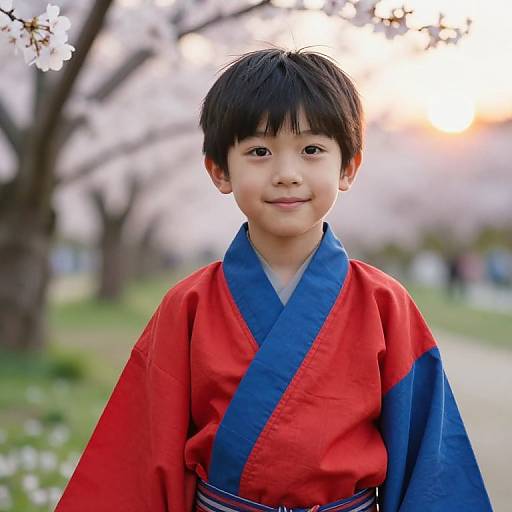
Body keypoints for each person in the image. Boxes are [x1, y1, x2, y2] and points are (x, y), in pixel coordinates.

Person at [55, 48, 493, 512]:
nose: (287, 174)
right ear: (219, 170)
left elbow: (429, 461)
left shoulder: (385, 304)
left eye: (312, 150)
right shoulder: (187, 305)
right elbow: (138, 457)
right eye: (259, 152)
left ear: (348, 167)